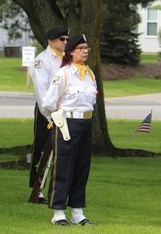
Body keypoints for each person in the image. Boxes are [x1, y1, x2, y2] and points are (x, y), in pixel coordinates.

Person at [42, 34, 97, 226]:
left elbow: (92, 101)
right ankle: (58, 213)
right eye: (81, 48)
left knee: (82, 168)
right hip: (67, 123)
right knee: (63, 167)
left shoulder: (89, 74)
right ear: (71, 52)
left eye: (86, 48)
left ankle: (78, 212)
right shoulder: (63, 74)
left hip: (86, 124)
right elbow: (48, 103)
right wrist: (57, 119)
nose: (85, 51)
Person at [29, 26, 69, 203]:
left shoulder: (67, 59)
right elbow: (41, 91)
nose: (65, 42)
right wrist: (50, 115)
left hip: (65, 111)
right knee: (42, 148)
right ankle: (37, 189)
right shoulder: (42, 60)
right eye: (62, 39)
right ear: (50, 41)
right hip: (47, 112)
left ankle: (58, 188)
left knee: (61, 151)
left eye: (67, 39)